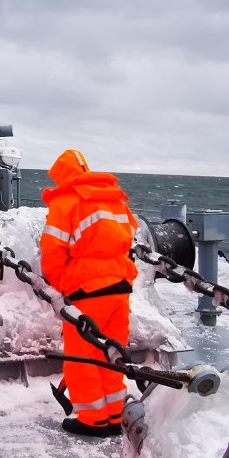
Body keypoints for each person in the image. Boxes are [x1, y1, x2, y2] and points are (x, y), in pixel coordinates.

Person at [39, 150, 138, 437]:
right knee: (111, 353)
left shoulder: (66, 202)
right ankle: (114, 416)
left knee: (82, 357)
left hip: (86, 290)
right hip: (120, 287)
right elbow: (128, 239)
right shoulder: (113, 198)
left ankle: (92, 420)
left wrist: (61, 286)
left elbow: (52, 252)